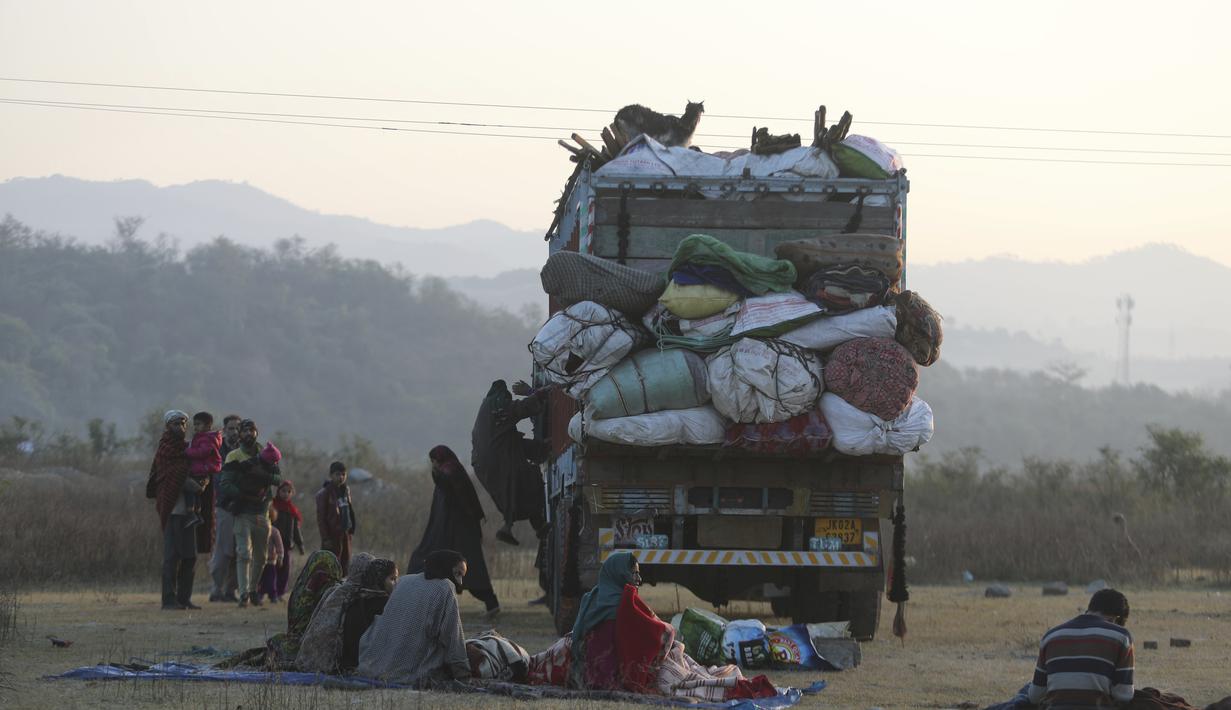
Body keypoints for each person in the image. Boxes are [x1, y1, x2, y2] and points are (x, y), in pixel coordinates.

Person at [554, 551, 771, 700]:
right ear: (620, 574)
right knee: (687, 672)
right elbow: (656, 635)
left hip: (591, 671)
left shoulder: (594, 598)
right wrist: (670, 639)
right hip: (615, 673)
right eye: (634, 573)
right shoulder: (624, 602)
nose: (639, 579)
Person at [408, 445, 500, 621]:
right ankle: (489, 603)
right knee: (462, 568)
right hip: (449, 531)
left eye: (434, 460)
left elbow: (460, 498)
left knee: (468, 569)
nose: (433, 464)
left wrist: (438, 476)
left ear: (440, 459)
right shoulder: (447, 470)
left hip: (457, 532)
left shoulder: (451, 471)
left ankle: (491, 603)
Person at [357, 549, 471, 686]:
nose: (460, 582)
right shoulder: (445, 587)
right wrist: (463, 675)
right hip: (411, 673)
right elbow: (453, 639)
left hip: (373, 667)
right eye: (457, 573)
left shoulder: (404, 581)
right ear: (445, 567)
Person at [217, 549, 344, 670]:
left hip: (312, 647)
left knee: (276, 647)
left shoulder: (316, 590)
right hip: (312, 647)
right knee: (276, 647)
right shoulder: (328, 591)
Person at [471, 379, 550, 546]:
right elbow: (518, 409)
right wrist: (538, 395)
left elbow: (514, 444)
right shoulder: (496, 405)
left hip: (485, 466)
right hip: (500, 462)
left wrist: (542, 448)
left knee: (511, 491)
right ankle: (534, 524)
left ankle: (522, 525)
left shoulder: (487, 418)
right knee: (529, 480)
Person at [1026, 588, 1135, 708]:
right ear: (1114, 619)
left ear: (1090, 609)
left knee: (1025, 690)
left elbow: (1035, 696)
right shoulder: (1121, 636)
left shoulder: (1050, 635)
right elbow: (1124, 695)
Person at [297, 555, 398, 674]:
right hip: (333, 659)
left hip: (319, 656)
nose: (396, 583)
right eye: (392, 579)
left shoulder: (349, 593)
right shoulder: (353, 596)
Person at [219, 421, 282, 608]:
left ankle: (253, 590)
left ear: (256, 432)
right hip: (242, 512)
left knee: (261, 557)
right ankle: (243, 594)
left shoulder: (266, 452)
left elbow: (278, 479)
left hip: (263, 513)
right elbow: (225, 484)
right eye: (244, 430)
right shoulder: (233, 456)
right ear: (240, 434)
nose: (248, 433)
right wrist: (244, 495)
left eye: (251, 430)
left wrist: (263, 477)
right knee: (244, 553)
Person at [146, 409, 203, 611]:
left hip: (189, 512)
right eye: (176, 424)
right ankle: (168, 600)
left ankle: (184, 598)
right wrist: (192, 485)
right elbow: (170, 477)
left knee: (190, 556)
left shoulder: (188, 450)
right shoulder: (165, 449)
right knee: (172, 557)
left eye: (183, 424)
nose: (180, 427)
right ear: (167, 426)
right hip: (173, 511)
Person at [209, 413, 244, 602]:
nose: (235, 432)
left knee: (240, 551)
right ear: (224, 430)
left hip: (242, 508)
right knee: (223, 551)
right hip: (223, 507)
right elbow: (217, 479)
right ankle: (216, 589)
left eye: (237, 428)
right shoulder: (218, 450)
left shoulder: (245, 451)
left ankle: (232, 589)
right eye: (231, 428)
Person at [184, 411, 222, 529]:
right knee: (196, 494)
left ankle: (191, 514)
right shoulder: (203, 437)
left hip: (201, 471)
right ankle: (197, 514)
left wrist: (187, 452)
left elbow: (202, 452)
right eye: (195, 424)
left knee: (189, 489)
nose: (195, 427)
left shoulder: (207, 439)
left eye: (198, 424)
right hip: (199, 470)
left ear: (208, 426)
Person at [317, 461, 357, 574]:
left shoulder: (345, 490)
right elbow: (321, 518)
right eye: (338, 474)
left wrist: (351, 529)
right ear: (331, 475)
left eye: (343, 474)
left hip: (345, 533)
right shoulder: (325, 493)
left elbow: (349, 510)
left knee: (345, 565)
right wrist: (325, 538)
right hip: (332, 535)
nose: (341, 477)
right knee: (330, 566)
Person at [271, 480, 306, 601]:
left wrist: (300, 545)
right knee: (271, 567)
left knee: (285, 569)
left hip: (287, 544)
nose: (286, 494)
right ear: (278, 491)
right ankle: (271, 592)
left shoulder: (292, 511)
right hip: (273, 544)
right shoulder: (273, 507)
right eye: (283, 491)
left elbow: (296, 531)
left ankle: (280, 592)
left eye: (289, 491)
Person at [256, 507, 285, 603]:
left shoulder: (274, 531)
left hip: (270, 561)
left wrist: (280, 557)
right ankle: (259, 594)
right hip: (258, 560)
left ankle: (273, 595)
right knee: (259, 579)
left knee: (271, 579)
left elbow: (279, 546)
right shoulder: (256, 531)